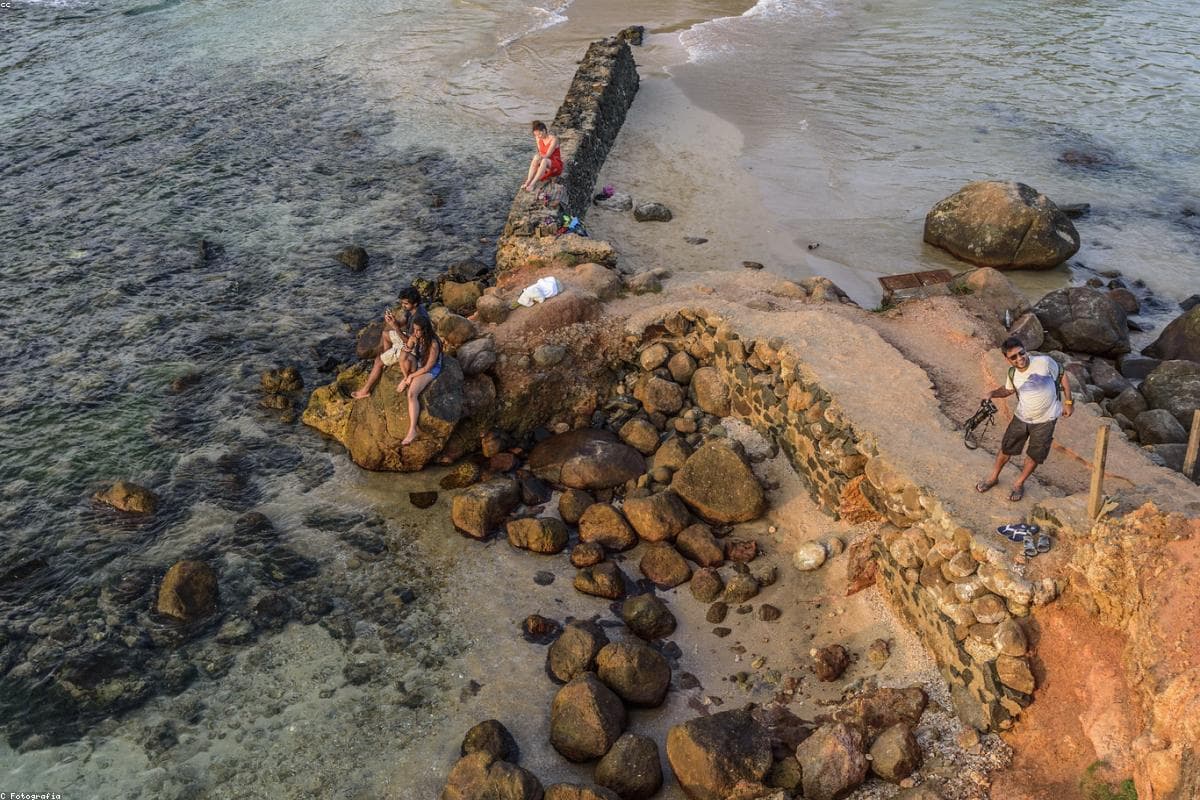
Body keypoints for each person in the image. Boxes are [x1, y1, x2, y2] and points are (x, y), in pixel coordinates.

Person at [976, 336, 1073, 502]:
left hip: (1046, 420)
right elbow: (1008, 390)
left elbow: (1063, 375)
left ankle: (1019, 483)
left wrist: (1069, 402)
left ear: (1025, 350)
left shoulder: (1044, 362)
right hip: (1021, 417)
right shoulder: (1012, 373)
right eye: (1013, 357)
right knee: (1006, 449)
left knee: (1035, 454)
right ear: (1007, 359)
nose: (1020, 358)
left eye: (1021, 353)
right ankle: (993, 477)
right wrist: (991, 394)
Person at [352, 287, 427, 400]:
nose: (403, 306)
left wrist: (396, 327)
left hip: (413, 350)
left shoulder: (419, 318)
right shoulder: (412, 309)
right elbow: (403, 322)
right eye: (402, 302)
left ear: (415, 303)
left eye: (405, 303)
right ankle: (387, 359)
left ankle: (365, 391)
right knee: (385, 334)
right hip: (409, 340)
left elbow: (409, 343)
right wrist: (393, 321)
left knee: (377, 361)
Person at [396, 314, 443, 446]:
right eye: (414, 329)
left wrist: (412, 376)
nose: (416, 332)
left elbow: (428, 366)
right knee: (404, 357)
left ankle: (412, 430)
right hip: (420, 362)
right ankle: (405, 378)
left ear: (425, 330)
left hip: (430, 368)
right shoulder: (415, 337)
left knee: (411, 394)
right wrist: (408, 346)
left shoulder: (433, 343)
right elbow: (404, 355)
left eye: (419, 330)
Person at [521, 120, 562, 192]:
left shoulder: (553, 139)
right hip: (545, 164)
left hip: (555, 163)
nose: (538, 137)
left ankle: (532, 184)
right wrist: (537, 160)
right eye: (536, 135)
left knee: (543, 160)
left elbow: (547, 155)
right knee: (536, 157)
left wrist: (539, 161)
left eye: (539, 134)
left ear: (544, 130)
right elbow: (540, 152)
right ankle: (528, 181)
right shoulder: (538, 138)